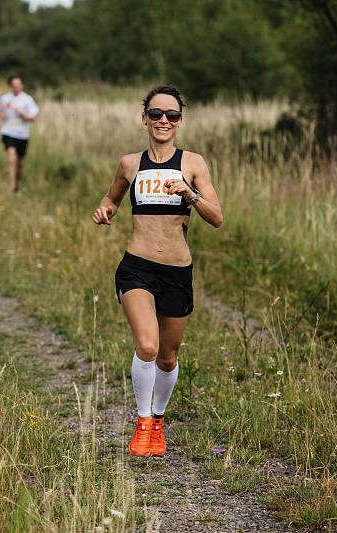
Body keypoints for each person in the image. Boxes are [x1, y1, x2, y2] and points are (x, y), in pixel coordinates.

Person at [92, 85, 223, 458]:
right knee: (146, 346)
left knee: (168, 356)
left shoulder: (193, 164)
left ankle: (159, 419)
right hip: (137, 267)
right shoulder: (129, 164)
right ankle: (144, 421)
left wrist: (189, 194)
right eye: (156, 114)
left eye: (172, 115)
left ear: (180, 121)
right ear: (144, 118)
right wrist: (105, 211)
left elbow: (217, 218)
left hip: (177, 271)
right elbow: (110, 198)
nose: (163, 121)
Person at [0, 75, 39, 193]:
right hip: (8, 131)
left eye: (19, 85)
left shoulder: (27, 99)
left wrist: (23, 115)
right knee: (11, 158)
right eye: (14, 85)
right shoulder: (4, 99)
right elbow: (1, 111)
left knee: (20, 164)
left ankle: (17, 184)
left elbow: (33, 117)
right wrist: (2, 115)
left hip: (22, 134)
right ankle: (11, 187)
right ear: (10, 86)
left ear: (22, 85)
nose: (17, 87)